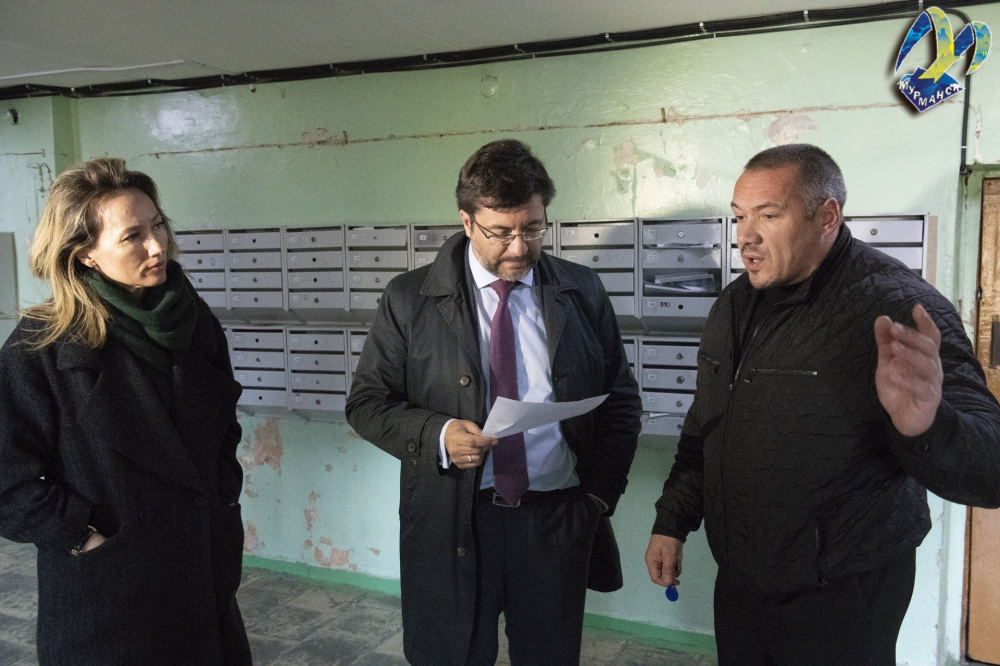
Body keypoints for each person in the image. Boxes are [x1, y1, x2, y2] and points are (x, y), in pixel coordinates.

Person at [644, 144, 1000, 666]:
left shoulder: (897, 306)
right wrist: (672, 522)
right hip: (743, 580)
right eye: (740, 216)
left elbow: (991, 469)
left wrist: (929, 424)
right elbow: (706, 425)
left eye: (769, 215)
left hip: (843, 591)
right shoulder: (734, 304)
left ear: (827, 217)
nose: (746, 236)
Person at [346, 139, 642, 666]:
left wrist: (598, 497)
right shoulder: (409, 299)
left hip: (556, 518)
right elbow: (367, 404)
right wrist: (438, 435)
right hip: (454, 522)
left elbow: (620, 401)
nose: (519, 248)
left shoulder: (582, 290)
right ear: (466, 222)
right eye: (500, 232)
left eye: (533, 228)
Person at [0, 158, 251, 665]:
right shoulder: (40, 346)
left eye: (158, 225)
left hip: (202, 574)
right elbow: (7, 478)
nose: (157, 246)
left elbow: (222, 424)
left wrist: (223, 492)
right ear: (86, 254)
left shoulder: (193, 320)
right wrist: (81, 536)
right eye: (132, 236)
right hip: (110, 594)